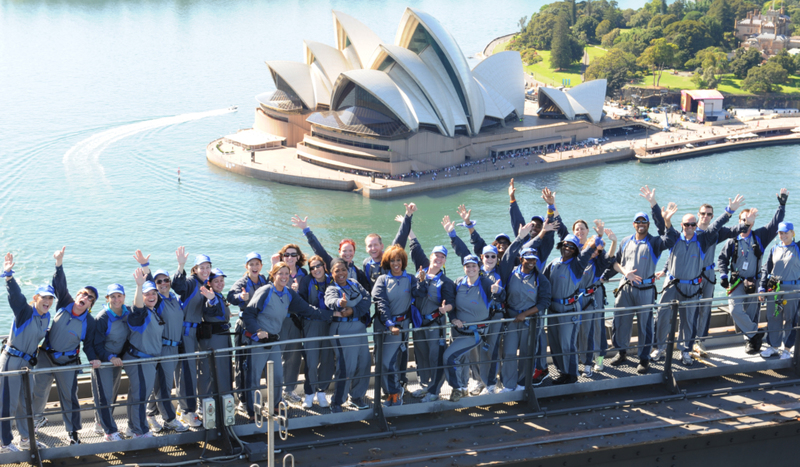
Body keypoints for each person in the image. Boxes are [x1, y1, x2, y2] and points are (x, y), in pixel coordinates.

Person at [652, 195, 746, 365]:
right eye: (686, 224)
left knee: (688, 320)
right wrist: (654, 205)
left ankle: (685, 351)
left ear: (696, 226)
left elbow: (717, 225)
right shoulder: (673, 237)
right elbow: (662, 225)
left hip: (691, 287)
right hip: (672, 285)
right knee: (662, 315)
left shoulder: (703, 240)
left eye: (692, 225)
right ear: (681, 226)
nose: (689, 227)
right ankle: (659, 347)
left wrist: (730, 211)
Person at [242, 262, 335, 416]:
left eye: (287, 274)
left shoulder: (288, 293)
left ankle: (275, 405)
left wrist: (332, 314)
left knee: (278, 376)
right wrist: (258, 331)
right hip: (258, 341)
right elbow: (248, 314)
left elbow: (308, 310)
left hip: (274, 341)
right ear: (273, 275)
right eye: (281, 273)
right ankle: (253, 411)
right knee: (254, 377)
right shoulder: (265, 291)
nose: (284, 277)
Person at [607, 187, 679, 374]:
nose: (641, 224)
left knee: (645, 325)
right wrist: (603, 278)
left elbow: (671, 239)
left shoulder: (655, 243)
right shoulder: (625, 241)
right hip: (625, 289)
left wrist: (658, 210)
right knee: (620, 321)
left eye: (644, 222)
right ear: (633, 224)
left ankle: (644, 358)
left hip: (646, 291)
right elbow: (615, 262)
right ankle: (621, 351)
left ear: (648, 224)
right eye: (638, 221)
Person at [32, 246, 99, 445]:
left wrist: (94, 357)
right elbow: (59, 284)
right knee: (38, 391)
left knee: (69, 398)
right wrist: (59, 264)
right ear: (78, 295)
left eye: (90, 298)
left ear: (90, 305)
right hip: (46, 356)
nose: (85, 298)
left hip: (68, 362)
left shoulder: (90, 322)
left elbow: (89, 344)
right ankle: (35, 421)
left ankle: (73, 433)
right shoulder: (64, 304)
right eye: (84, 294)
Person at [428, 254, 506, 402]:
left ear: (478, 267)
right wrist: (453, 318)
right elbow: (452, 304)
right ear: (464, 268)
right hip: (458, 330)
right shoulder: (458, 283)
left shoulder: (485, 283)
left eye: (473, 266)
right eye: (467, 266)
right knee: (460, 360)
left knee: (449, 357)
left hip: (474, 333)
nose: (470, 268)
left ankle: (457, 388)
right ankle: (462, 387)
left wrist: (498, 291)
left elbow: (501, 298)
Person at [719, 189, 788, 353]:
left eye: (749, 221)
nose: (746, 223)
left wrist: (782, 206)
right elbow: (722, 259)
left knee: (752, 312)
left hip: (755, 281)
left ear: (753, 223)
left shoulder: (760, 237)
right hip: (736, 282)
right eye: (743, 220)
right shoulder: (732, 240)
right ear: (739, 221)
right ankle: (755, 333)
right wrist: (723, 274)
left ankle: (751, 341)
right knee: (735, 309)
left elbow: (774, 224)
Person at [1, 253, 51, 453]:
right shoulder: (25, 312)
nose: (47, 301)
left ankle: (25, 438)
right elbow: (16, 297)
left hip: (27, 365)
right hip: (12, 361)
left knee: (25, 404)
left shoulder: (46, 317)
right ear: (35, 299)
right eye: (43, 298)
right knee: (8, 404)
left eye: (50, 298)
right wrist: (9, 276)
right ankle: (4, 443)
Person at [540, 232, 604, 384]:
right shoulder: (554, 263)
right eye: (566, 245)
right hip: (553, 310)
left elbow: (588, 251)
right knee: (555, 344)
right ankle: (562, 372)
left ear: (576, 250)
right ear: (561, 245)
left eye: (572, 246)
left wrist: (598, 236)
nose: (568, 248)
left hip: (569, 311)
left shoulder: (577, 265)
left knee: (567, 344)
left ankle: (572, 375)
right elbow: (543, 282)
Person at [496, 221, 553, 389]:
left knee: (528, 354)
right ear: (521, 259)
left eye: (534, 259)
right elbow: (507, 256)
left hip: (530, 321)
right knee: (509, 352)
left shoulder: (540, 279)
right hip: (512, 320)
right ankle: (508, 384)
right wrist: (520, 238)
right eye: (527, 259)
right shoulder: (510, 272)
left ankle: (522, 383)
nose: (531, 262)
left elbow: (545, 302)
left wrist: (526, 314)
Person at [136, 256, 188, 434]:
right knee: (164, 386)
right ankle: (170, 420)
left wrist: (181, 266)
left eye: (166, 280)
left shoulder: (173, 298)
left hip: (175, 348)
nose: (163, 283)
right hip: (163, 348)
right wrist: (145, 267)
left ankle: (150, 414)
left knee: (159, 384)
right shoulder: (157, 301)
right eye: (159, 281)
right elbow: (149, 287)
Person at [693, 201, 750, 357]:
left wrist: (746, 222)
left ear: (712, 216)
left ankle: (701, 341)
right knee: (690, 309)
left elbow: (734, 230)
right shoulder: (690, 231)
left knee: (705, 309)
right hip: (691, 276)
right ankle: (688, 342)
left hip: (709, 275)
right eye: (703, 213)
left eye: (709, 214)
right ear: (698, 214)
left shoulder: (715, 233)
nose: (705, 216)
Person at [407, 233, 455, 402]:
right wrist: (410, 233)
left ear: (445, 261)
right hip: (419, 323)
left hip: (435, 323)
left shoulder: (446, 282)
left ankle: (435, 390)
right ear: (430, 257)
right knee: (421, 355)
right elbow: (415, 250)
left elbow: (452, 303)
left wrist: (445, 308)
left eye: (442, 257)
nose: (439, 259)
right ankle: (425, 386)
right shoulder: (419, 274)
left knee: (436, 356)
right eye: (436, 255)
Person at [372, 245, 421, 407]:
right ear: (388, 262)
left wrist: (422, 282)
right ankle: (390, 392)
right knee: (381, 360)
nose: (395, 263)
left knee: (388, 361)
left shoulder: (411, 279)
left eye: (398, 260)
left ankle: (395, 392)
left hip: (400, 327)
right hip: (385, 326)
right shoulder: (382, 280)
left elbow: (420, 294)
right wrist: (389, 323)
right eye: (392, 260)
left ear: (403, 261)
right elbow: (381, 303)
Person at [324, 258, 372, 413]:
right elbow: (329, 300)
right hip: (342, 330)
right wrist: (340, 303)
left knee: (364, 364)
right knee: (346, 367)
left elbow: (367, 298)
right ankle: (337, 401)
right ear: (332, 274)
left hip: (359, 329)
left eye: (343, 269)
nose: (341, 273)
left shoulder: (354, 283)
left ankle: (357, 397)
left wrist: (354, 311)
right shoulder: (332, 288)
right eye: (337, 271)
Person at [169, 247, 209, 427]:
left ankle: (182, 407)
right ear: (195, 269)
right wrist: (180, 265)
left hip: (193, 333)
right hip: (184, 333)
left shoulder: (205, 285)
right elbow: (178, 286)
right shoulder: (192, 282)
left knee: (186, 371)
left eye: (208, 267)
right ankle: (187, 411)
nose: (205, 270)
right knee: (186, 371)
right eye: (202, 267)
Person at [125, 269, 165, 438]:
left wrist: (146, 267)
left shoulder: (153, 310)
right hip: (140, 361)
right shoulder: (140, 314)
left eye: (153, 293)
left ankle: (132, 427)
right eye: (146, 294)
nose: (151, 296)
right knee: (140, 397)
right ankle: (140, 431)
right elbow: (137, 308)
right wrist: (139, 286)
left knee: (137, 395)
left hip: (148, 361)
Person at [227, 252, 268, 413]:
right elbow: (231, 296)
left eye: (257, 264)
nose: (254, 267)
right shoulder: (242, 282)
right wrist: (240, 296)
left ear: (261, 266)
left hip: (261, 326)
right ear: (246, 267)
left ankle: (255, 398)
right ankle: (243, 400)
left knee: (257, 364)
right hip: (244, 327)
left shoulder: (265, 280)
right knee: (242, 364)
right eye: (251, 264)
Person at [91, 284, 130, 442]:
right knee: (104, 396)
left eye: (119, 296)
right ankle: (109, 432)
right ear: (107, 299)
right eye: (112, 297)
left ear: (124, 297)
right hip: (104, 361)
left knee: (113, 393)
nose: (116, 299)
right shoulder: (103, 317)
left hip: (118, 360)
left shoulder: (127, 313)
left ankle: (101, 423)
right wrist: (110, 358)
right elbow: (96, 344)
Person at [272, 244, 308, 404]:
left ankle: (289, 390)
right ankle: (276, 393)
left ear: (298, 257)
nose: (290, 258)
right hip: (278, 321)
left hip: (295, 321)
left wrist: (297, 291)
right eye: (286, 255)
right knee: (276, 356)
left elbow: (306, 298)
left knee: (293, 356)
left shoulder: (303, 274)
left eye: (293, 255)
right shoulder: (277, 271)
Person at [297, 256, 334, 409]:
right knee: (311, 361)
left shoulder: (332, 280)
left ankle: (322, 391)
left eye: (318, 266)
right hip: (311, 324)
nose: (315, 270)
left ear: (324, 266)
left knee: (327, 360)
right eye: (312, 268)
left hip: (329, 324)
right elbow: (303, 305)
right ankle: (310, 392)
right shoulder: (306, 281)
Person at [759, 221, 799, 358]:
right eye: (780, 233)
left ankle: (787, 349)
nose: (783, 235)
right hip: (775, 289)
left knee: (790, 319)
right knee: (774, 317)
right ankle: (773, 346)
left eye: (785, 232)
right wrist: (761, 288)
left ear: (792, 233)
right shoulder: (774, 249)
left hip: (793, 289)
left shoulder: (798, 248)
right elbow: (766, 269)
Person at [197, 268, 233, 408]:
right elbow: (210, 308)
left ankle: (222, 400)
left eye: (222, 280)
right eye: (216, 281)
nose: (220, 283)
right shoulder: (210, 296)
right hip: (214, 338)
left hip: (223, 337)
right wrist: (211, 300)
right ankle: (205, 403)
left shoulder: (218, 295)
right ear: (209, 283)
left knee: (222, 368)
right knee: (208, 370)